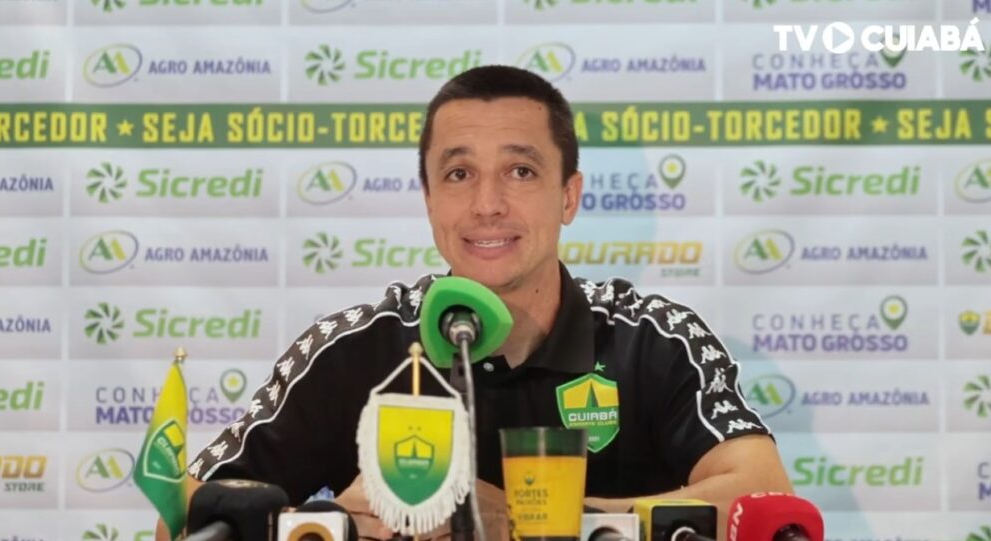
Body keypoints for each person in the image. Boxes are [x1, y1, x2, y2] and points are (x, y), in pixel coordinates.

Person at [157, 65, 791, 540]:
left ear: (568, 197)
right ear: (429, 199)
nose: (487, 204)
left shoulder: (651, 339)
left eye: (520, 171)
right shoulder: (355, 348)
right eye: (459, 174)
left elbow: (764, 497)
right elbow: (181, 517)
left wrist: (525, 520)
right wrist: (322, 525)